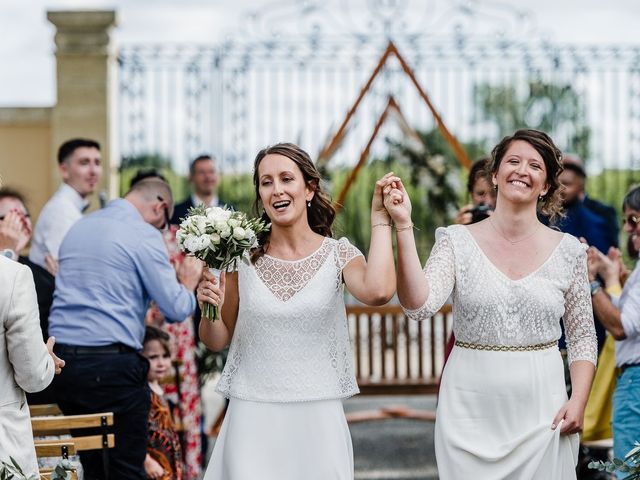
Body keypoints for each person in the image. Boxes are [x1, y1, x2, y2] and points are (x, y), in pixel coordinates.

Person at [383, 129, 597, 479]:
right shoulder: (455, 241)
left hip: (542, 407)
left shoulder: (569, 251)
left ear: (545, 186)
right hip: (469, 408)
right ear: (494, 175)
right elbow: (418, 306)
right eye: (512, 161)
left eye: (534, 166)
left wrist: (579, 401)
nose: (522, 170)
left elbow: (582, 337)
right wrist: (404, 227)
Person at [195, 142, 397, 480]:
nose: (277, 190)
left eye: (286, 179)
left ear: (309, 188)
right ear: (260, 194)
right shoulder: (240, 259)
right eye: (266, 182)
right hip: (252, 413)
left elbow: (378, 291)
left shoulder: (338, 254)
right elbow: (216, 340)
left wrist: (380, 220)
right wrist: (208, 310)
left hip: (317, 415)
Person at [49, 178, 201, 479]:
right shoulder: (143, 234)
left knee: (91, 467)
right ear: (161, 207)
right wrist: (187, 282)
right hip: (112, 369)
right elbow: (176, 308)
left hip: (63, 367)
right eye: (163, 223)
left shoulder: (79, 228)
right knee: (127, 469)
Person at [0, 179, 64, 476]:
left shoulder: (40, 272)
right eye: (7, 217)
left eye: (22, 216)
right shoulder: (13, 276)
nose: (16, 223)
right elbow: (33, 374)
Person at [586, 185, 640, 477]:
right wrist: (609, 276)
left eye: (633, 219)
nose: (627, 228)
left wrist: (590, 283)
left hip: (636, 381)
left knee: (630, 470)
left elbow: (621, 326)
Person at [29, 138, 103, 276]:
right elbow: (67, 272)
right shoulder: (61, 211)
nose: (94, 171)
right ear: (64, 170)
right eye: (84, 163)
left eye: (97, 163)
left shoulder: (70, 207)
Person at [0, 188, 55, 339]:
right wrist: (8, 251)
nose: (22, 223)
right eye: (13, 217)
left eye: (25, 216)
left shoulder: (39, 272)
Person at [142, 326, 184, 480]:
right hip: (153, 466)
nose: (161, 363)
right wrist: (146, 459)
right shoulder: (143, 392)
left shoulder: (159, 388)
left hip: (168, 462)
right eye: (153, 357)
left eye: (165, 356)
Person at [170, 154, 226, 225]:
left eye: (212, 171)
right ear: (191, 177)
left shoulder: (232, 212)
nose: (208, 177)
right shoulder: (175, 213)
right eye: (202, 172)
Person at [453, 157, 496, 225]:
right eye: (481, 194)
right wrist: (458, 231)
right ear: (471, 194)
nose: (488, 202)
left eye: (494, 194)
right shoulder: (466, 220)